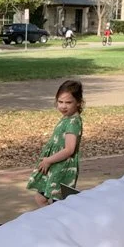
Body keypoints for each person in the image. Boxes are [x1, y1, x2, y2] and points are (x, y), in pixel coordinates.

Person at [27, 79, 84, 207]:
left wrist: (49, 160)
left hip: (62, 168)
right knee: (41, 198)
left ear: (78, 102)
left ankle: (56, 222)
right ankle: (53, 221)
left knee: (57, 202)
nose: (63, 106)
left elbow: (69, 149)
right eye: (60, 102)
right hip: (55, 166)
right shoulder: (67, 118)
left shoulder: (73, 122)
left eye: (68, 102)